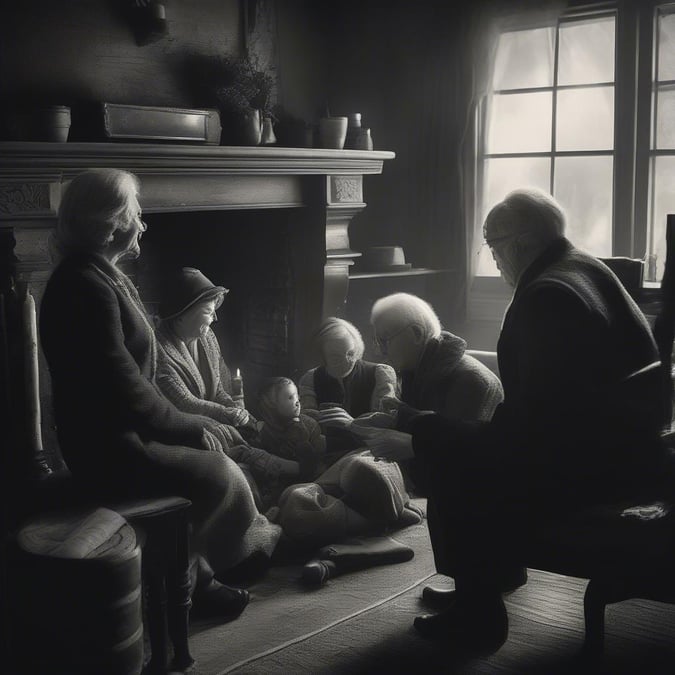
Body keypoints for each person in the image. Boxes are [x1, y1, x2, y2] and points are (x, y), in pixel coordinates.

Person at [372, 188, 668, 654]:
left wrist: (420, 433)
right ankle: (489, 577)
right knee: (452, 441)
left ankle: (478, 615)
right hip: (630, 451)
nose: (492, 259)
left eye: (492, 245)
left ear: (521, 244)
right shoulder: (585, 266)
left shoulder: (545, 298)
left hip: (594, 473)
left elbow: (522, 438)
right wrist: (421, 421)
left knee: (455, 462)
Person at [39, 168, 281, 620]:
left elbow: (136, 389)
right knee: (218, 475)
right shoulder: (81, 286)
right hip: (110, 449)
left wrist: (195, 425)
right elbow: (128, 391)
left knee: (223, 463)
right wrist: (195, 424)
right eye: (136, 213)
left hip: (128, 433)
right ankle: (183, 583)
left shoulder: (99, 275)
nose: (143, 224)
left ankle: (195, 575)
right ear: (110, 221)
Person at [298, 317, 398, 430]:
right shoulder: (310, 378)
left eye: (350, 354)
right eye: (335, 357)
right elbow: (307, 424)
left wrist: (353, 424)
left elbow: (386, 423)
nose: (346, 362)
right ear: (322, 357)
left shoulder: (380, 374)